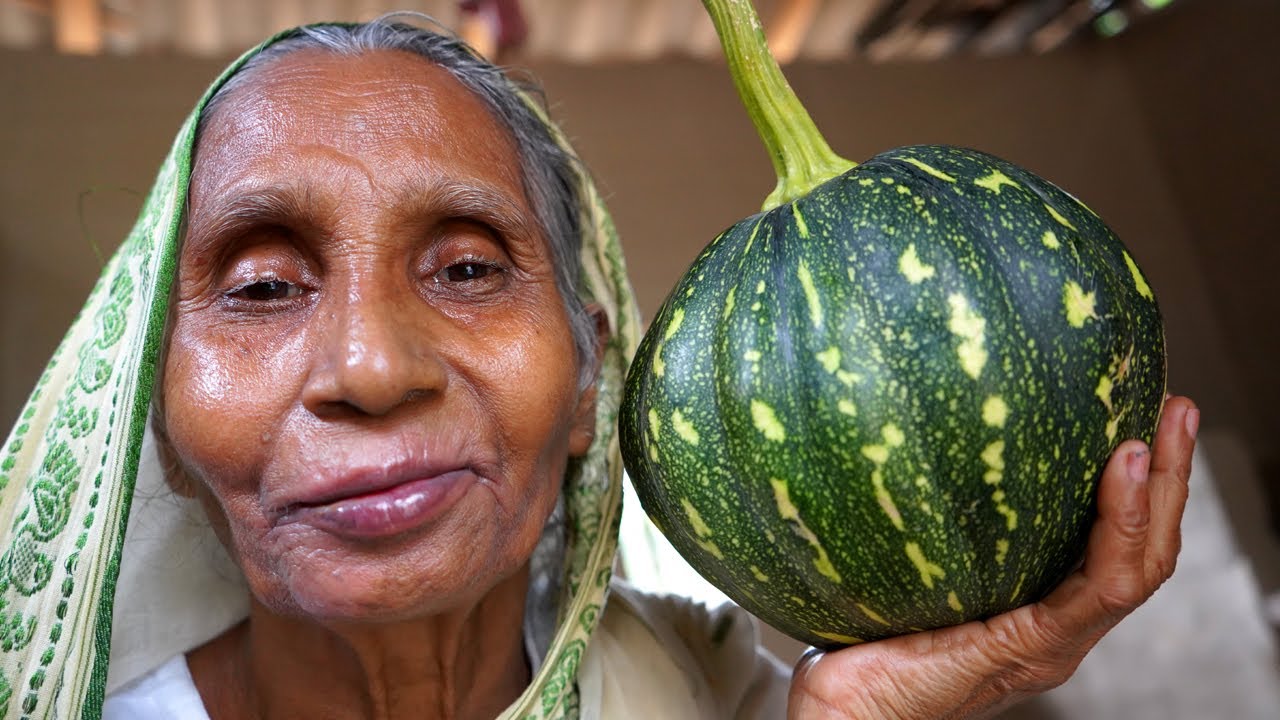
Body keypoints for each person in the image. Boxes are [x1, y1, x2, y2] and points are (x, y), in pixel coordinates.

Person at [0, 17, 1198, 720]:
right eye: (261, 287)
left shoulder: (726, 696)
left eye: (468, 269)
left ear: (588, 383)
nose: (368, 366)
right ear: (150, 416)